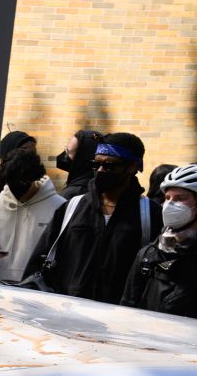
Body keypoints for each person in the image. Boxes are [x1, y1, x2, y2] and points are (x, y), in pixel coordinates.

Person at [27, 132, 153, 303]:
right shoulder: (72, 207)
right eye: (96, 164)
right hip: (65, 312)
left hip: (119, 318)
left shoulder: (150, 214)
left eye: (109, 165)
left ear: (132, 167)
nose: (100, 170)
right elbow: (39, 259)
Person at [0, 146, 65, 284]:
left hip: (37, 292)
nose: (17, 188)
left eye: (23, 182)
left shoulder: (59, 207)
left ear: (35, 178)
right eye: (12, 182)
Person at [121, 164, 197, 318]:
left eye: (180, 198)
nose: (169, 204)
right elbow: (128, 308)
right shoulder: (149, 255)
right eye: (167, 198)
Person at [55, 128, 101, 200]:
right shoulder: (98, 186)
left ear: (81, 158)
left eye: (68, 151)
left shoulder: (73, 194)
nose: (64, 154)